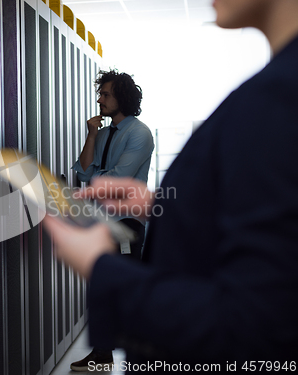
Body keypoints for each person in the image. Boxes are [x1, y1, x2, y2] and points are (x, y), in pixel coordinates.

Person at [44, 0, 298, 372]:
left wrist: (99, 267)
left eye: (106, 94)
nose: (100, 99)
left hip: (128, 238)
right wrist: (161, 203)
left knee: (125, 266)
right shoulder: (272, 90)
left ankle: (102, 356)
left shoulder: (278, 97)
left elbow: (258, 324)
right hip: (117, 213)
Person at [69, 70, 154, 371]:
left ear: (123, 98)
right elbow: (82, 173)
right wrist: (91, 135)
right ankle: (103, 353)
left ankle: (143, 354)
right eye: (100, 93)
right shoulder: (103, 134)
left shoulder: (139, 133)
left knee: (127, 289)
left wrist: (93, 178)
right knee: (102, 288)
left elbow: (117, 179)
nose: (100, 99)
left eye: (106, 94)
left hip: (126, 224)